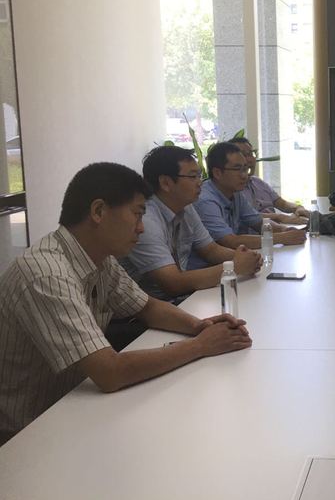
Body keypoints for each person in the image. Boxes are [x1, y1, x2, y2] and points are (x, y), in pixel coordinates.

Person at [0, 163, 252, 445]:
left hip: (72, 405)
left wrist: (200, 326)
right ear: (98, 212)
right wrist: (201, 345)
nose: (141, 228)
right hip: (25, 433)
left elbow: (147, 307)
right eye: (137, 214)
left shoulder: (100, 258)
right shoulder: (46, 274)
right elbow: (110, 372)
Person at [121, 146, 263, 303]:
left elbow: (211, 250)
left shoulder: (185, 206)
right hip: (149, 308)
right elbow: (172, 283)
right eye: (193, 176)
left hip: (181, 299)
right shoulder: (145, 220)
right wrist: (234, 267)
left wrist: (246, 258)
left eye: (199, 175)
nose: (200, 182)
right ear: (166, 183)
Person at [193, 142, 307, 250]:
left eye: (245, 169)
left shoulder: (235, 193)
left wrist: (284, 229)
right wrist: (281, 238)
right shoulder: (205, 200)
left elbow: (258, 222)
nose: (244, 175)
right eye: (237, 169)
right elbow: (230, 241)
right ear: (217, 173)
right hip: (210, 262)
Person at [229, 136, 310, 225]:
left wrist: (298, 208)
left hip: (276, 230)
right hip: (255, 233)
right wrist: (281, 218)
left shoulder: (258, 182)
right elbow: (247, 216)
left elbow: (282, 203)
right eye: (243, 155)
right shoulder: (231, 189)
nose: (250, 159)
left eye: (251, 154)